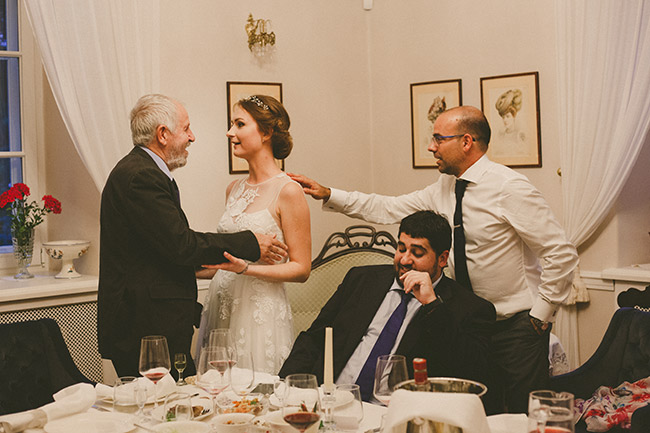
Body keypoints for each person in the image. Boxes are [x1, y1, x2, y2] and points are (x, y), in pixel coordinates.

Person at [288, 106, 579, 413]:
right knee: (478, 411)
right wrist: (329, 194)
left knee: (519, 414)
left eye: (439, 139)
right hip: (461, 322)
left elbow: (560, 253)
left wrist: (539, 318)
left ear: (466, 142)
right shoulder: (445, 188)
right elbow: (388, 207)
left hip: (514, 326)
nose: (431, 147)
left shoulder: (510, 188)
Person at [98, 94, 288, 379]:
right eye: (186, 129)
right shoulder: (141, 176)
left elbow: (158, 248)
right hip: (144, 326)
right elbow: (181, 244)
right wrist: (250, 243)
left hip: (156, 319)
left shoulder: (142, 170)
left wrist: (210, 267)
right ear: (163, 134)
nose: (192, 137)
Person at [279, 210, 496, 403]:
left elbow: (474, 371)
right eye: (401, 248)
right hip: (333, 400)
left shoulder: (470, 308)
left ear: (442, 259)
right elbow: (314, 338)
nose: (405, 260)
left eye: (417, 253)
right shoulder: (361, 280)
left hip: (394, 412)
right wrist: (286, 388)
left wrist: (432, 305)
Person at [195, 95, 311, 374]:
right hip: (221, 304)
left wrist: (246, 269)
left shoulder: (288, 191)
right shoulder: (233, 189)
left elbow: (301, 268)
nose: (229, 132)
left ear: (266, 132)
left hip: (259, 313)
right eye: (231, 124)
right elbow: (226, 258)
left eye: (239, 124)